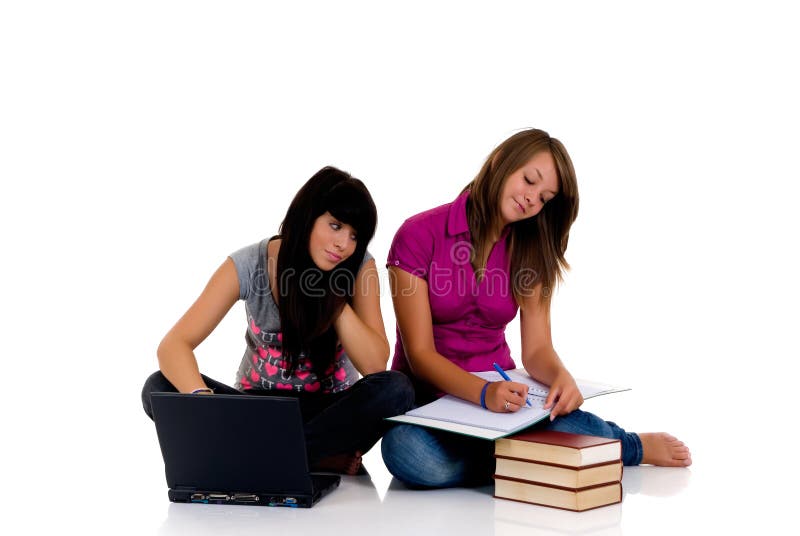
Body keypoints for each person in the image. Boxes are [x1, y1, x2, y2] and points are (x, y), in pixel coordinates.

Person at [380, 129, 691, 488]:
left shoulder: (530, 248)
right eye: (528, 181)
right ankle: (525, 457)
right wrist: (482, 394)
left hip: (505, 400)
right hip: (432, 403)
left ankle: (628, 446)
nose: (531, 200)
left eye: (544, 198)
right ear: (499, 162)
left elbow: (537, 349)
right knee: (405, 452)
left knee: (564, 417)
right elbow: (419, 354)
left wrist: (560, 377)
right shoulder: (419, 233)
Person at [142, 166, 414, 475]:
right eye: (335, 225)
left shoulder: (358, 267)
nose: (344, 244)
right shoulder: (249, 264)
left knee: (397, 389)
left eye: (354, 235)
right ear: (307, 216)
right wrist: (203, 404)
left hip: (330, 415)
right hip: (258, 410)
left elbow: (376, 366)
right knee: (158, 386)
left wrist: (332, 294)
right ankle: (308, 458)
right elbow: (174, 345)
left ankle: (263, 457)